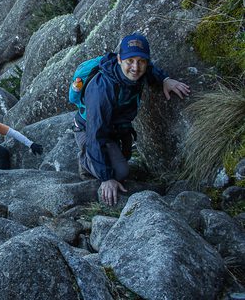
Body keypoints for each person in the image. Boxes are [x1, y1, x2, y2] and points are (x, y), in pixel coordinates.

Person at [73, 33, 190, 206]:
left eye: (141, 61)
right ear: (119, 59)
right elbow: (95, 135)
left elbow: (150, 70)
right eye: (130, 61)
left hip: (114, 127)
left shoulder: (137, 70)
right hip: (88, 130)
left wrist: (165, 80)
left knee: (125, 157)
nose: (135, 67)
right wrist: (106, 179)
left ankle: (104, 157)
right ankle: (85, 161)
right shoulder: (102, 91)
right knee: (119, 173)